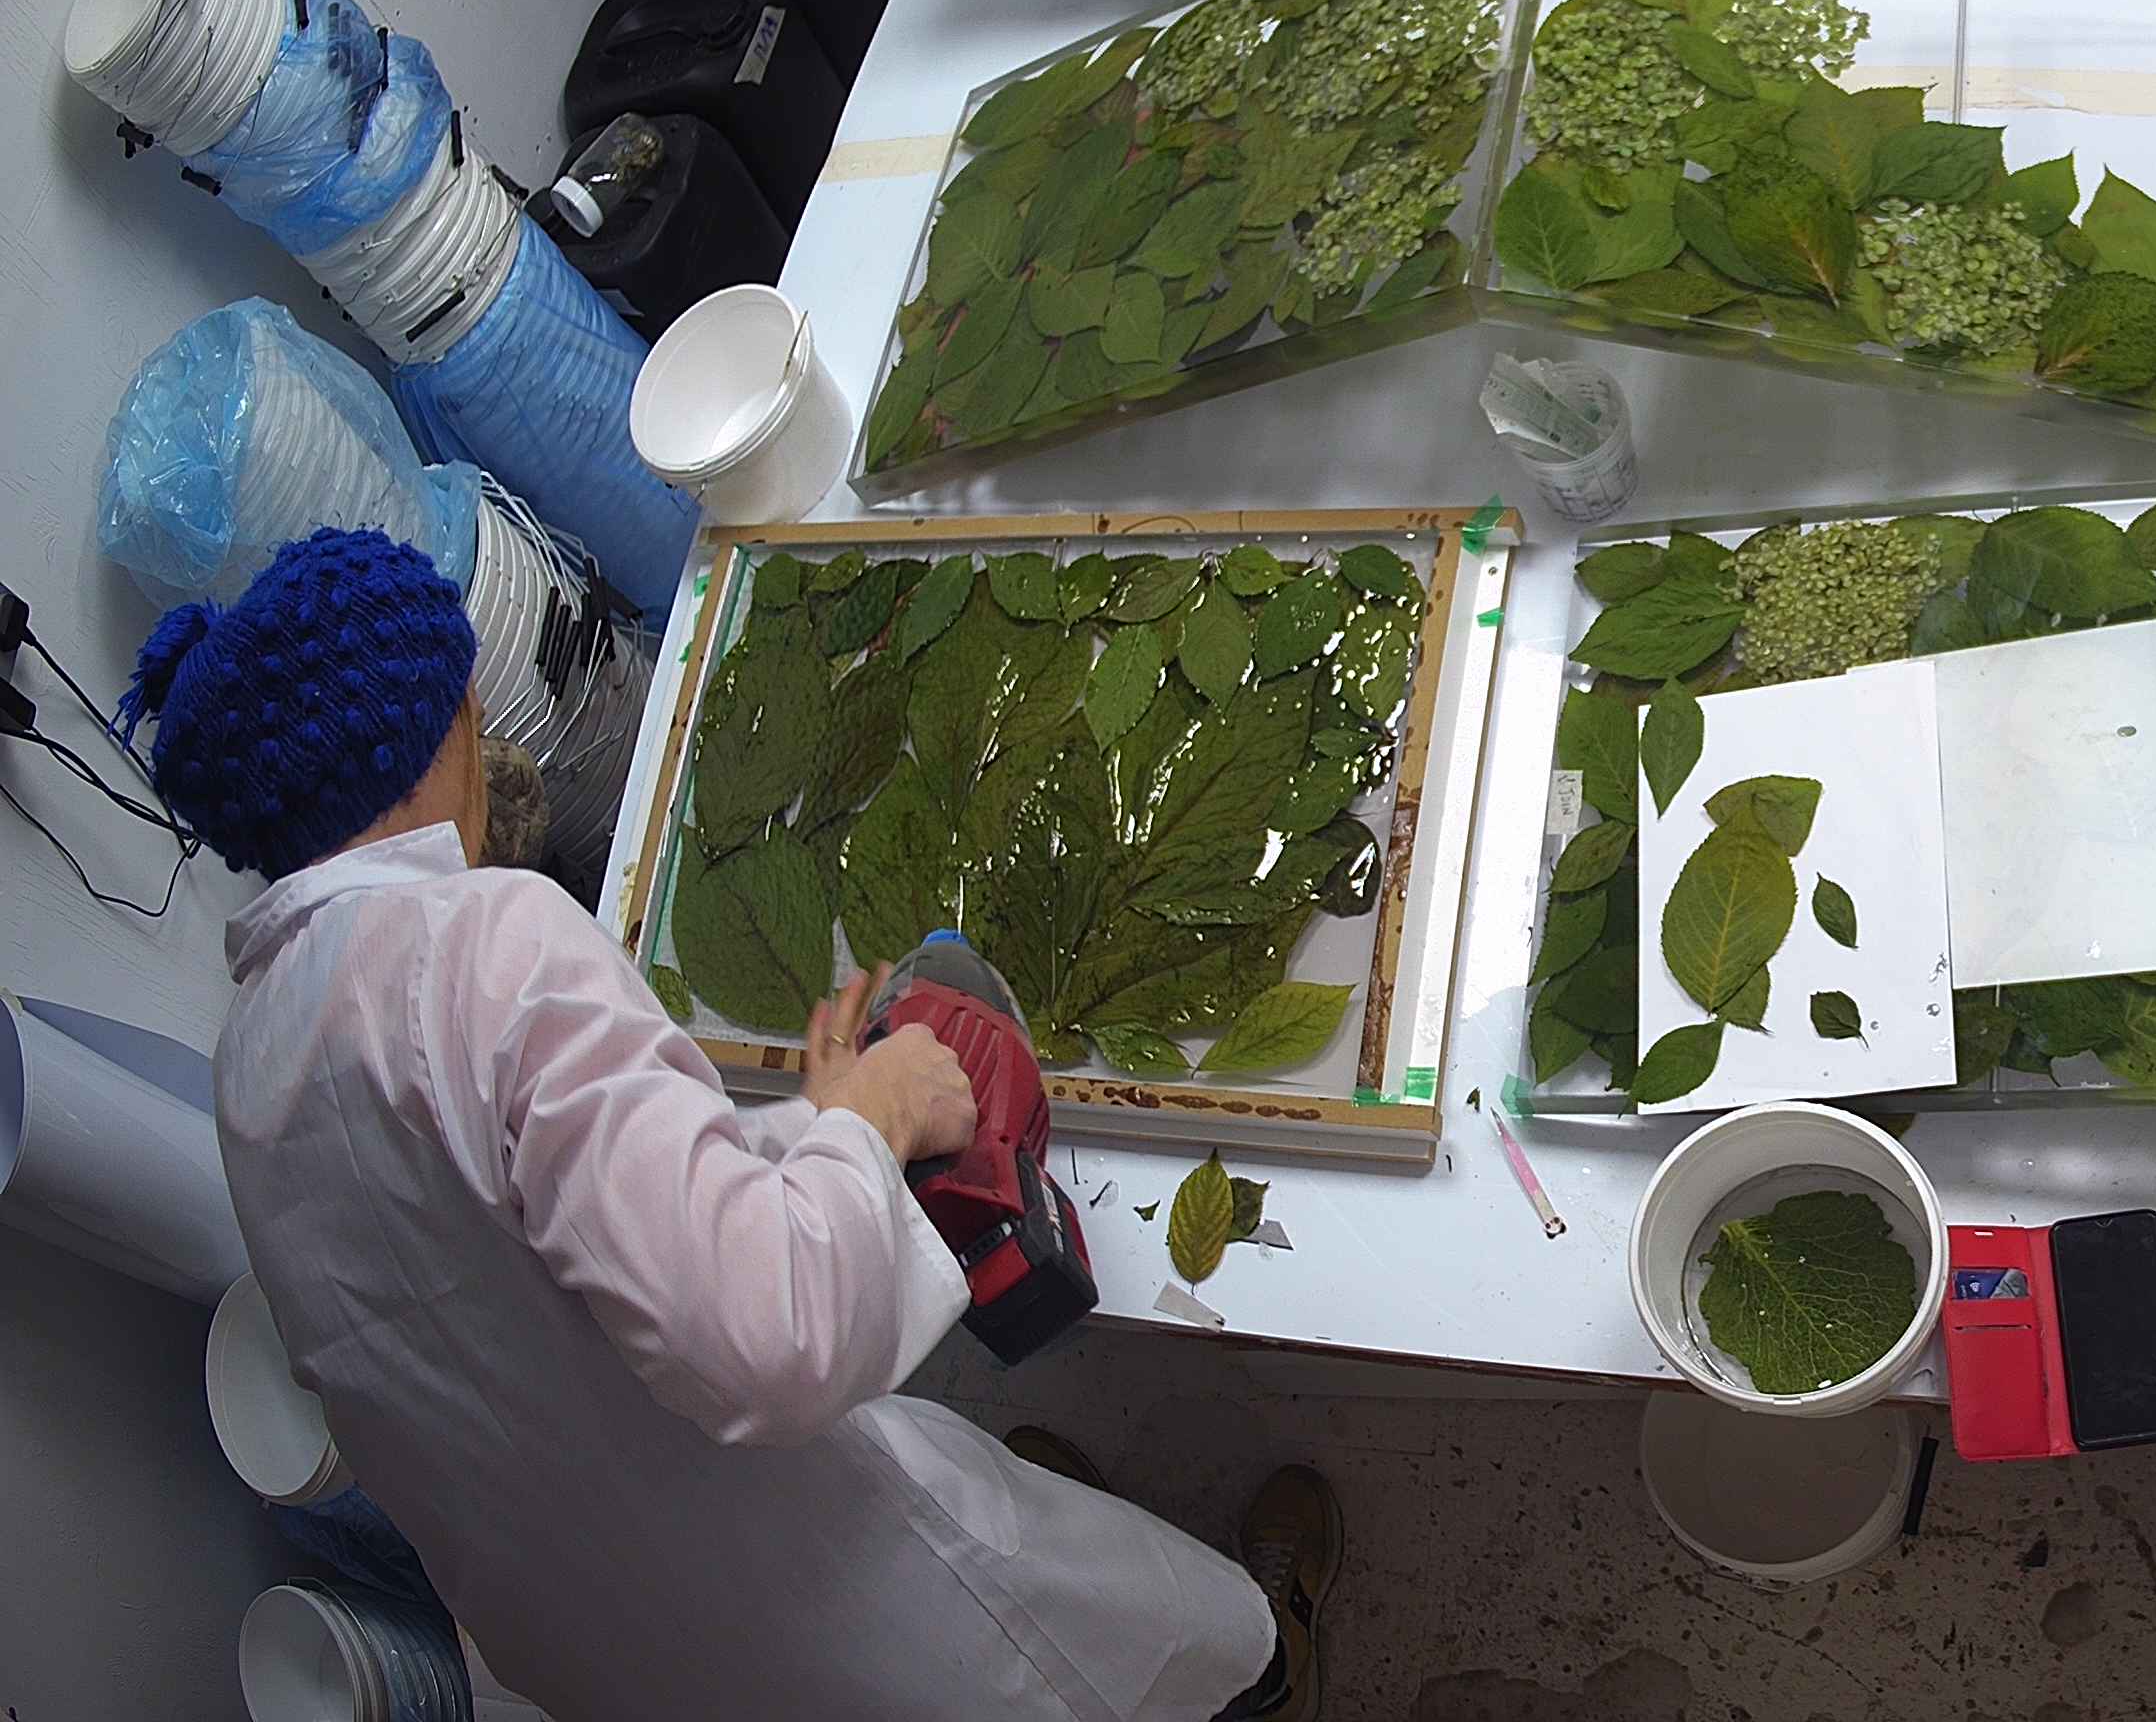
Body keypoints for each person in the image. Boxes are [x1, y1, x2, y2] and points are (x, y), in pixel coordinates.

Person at [136, 531, 1343, 1721]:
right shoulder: (484, 945)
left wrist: (808, 1131)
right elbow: (770, 1340)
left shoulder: (256, 1062)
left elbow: (524, 1260)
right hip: (831, 1599)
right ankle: (1272, 1674)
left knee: (1038, 1564)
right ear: (425, 735)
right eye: (469, 704)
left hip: (584, 1638)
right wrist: (871, 1118)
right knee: (1120, 1638)